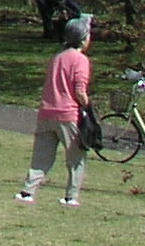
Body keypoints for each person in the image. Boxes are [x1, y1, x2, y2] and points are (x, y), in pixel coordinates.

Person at [18, 14, 93, 206]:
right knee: (76, 159)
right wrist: (89, 107)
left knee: (41, 158)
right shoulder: (81, 60)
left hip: (46, 113)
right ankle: (71, 196)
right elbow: (79, 91)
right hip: (68, 115)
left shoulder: (56, 58)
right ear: (83, 39)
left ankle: (27, 192)